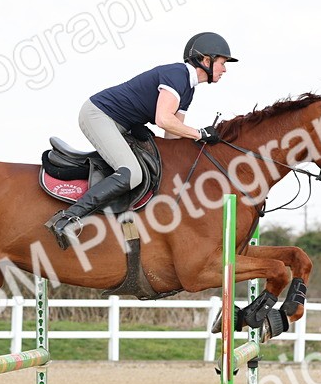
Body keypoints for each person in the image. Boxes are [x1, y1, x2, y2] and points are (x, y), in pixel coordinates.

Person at [45, 32, 238, 249]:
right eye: (222, 63)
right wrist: (200, 133)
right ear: (206, 60)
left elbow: (172, 136)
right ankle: (67, 219)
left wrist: (199, 144)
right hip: (98, 115)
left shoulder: (188, 90)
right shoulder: (177, 75)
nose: (224, 69)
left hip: (121, 123)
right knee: (131, 173)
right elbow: (163, 119)